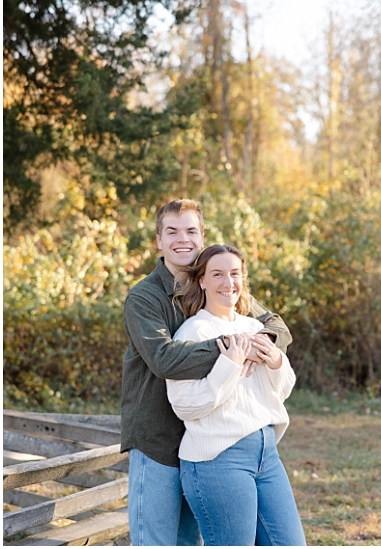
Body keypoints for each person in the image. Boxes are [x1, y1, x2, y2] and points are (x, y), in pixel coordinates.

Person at [121, 199, 292, 546]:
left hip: (205, 436)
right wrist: (232, 347)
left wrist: (262, 347)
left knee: (189, 542)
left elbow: (275, 326)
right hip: (159, 437)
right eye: (172, 231)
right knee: (156, 540)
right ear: (158, 240)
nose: (182, 239)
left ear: (201, 238)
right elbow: (164, 360)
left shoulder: (215, 281)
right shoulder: (144, 297)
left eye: (191, 231)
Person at [167, 244, 306, 546]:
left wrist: (276, 361)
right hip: (217, 460)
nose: (228, 283)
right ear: (202, 280)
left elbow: (279, 392)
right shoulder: (192, 333)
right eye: (217, 274)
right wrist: (229, 365)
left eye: (235, 274)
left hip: (266, 455)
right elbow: (185, 405)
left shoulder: (254, 327)